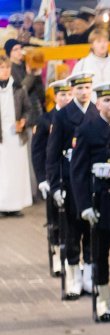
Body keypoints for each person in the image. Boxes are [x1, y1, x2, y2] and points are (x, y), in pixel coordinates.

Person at [70, 82, 110, 321]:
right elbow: (78, 171)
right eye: (107, 100)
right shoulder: (87, 130)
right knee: (99, 251)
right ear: (98, 104)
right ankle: (103, 298)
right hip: (99, 200)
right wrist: (84, 205)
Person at [47, 72, 98, 298]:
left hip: (92, 181)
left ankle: (88, 275)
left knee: (91, 232)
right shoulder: (64, 115)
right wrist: (55, 185)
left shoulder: (97, 112)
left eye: (87, 87)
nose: (84, 92)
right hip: (70, 179)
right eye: (79, 88)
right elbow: (53, 153)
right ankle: (73, 276)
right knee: (72, 231)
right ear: (73, 90)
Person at [33, 79, 72, 272]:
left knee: (71, 221)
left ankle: (71, 257)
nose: (66, 98)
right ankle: (57, 253)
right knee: (55, 221)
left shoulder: (75, 118)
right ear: (55, 96)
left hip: (70, 175)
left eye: (68, 94)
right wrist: (41, 179)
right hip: (52, 176)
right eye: (62, 94)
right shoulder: (46, 120)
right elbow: (38, 152)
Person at [0, 54, 33, 216]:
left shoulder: (18, 89)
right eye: (1, 68)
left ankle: (14, 205)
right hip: (1, 135)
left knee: (15, 171)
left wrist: (23, 121)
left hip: (15, 135)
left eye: (7, 68)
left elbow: (28, 109)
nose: (5, 71)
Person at [72, 29, 110, 95]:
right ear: (92, 45)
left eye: (105, 41)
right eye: (99, 42)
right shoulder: (82, 65)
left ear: (108, 43)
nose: (102, 45)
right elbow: (75, 88)